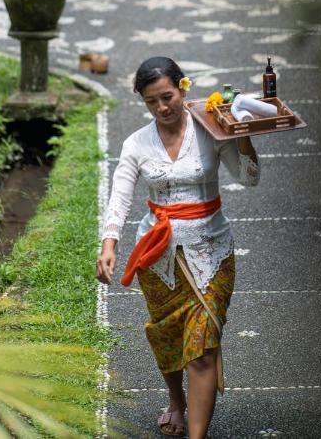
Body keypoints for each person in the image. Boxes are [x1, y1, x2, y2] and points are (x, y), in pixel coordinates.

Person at [96, 56, 260, 438]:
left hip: (211, 250)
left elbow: (248, 179)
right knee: (167, 336)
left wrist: (242, 135)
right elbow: (120, 196)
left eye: (167, 97)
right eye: (151, 101)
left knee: (201, 349)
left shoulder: (210, 127)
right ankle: (176, 400)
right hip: (158, 256)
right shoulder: (137, 142)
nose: (162, 108)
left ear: (182, 88)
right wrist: (109, 244)